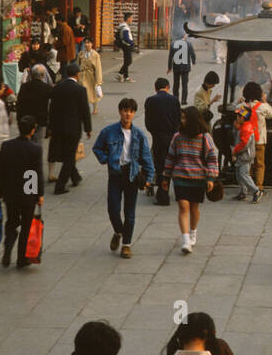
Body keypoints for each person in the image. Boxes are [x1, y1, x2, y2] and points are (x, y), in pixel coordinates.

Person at [92, 98, 154, 259]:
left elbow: (147, 158)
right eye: (125, 110)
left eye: (131, 111)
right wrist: (106, 159)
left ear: (134, 113)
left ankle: (126, 244)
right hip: (115, 173)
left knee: (130, 212)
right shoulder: (108, 131)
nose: (128, 114)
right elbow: (97, 147)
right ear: (120, 111)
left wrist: (149, 178)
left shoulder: (139, 135)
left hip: (132, 174)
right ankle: (118, 231)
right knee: (113, 208)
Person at [162, 105, 219, 255]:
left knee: (194, 209)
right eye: (181, 118)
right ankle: (186, 239)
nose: (182, 120)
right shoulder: (177, 137)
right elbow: (170, 157)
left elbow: (212, 158)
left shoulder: (205, 138)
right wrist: (166, 176)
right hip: (180, 177)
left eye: (184, 118)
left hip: (198, 178)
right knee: (183, 207)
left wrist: (211, 178)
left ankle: (193, 232)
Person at [0, 114, 45, 268]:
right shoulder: (35, 149)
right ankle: (22, 258)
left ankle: (8, 247)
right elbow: (37, 173)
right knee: (26, 226)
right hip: (28, 192)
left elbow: (2, 170)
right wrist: (40, 194)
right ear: (32, 130)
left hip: (10, 192)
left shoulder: (7, 146)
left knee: (12, 222)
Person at [47, 61, 92, 194]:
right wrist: (88, 128)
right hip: (73, 128)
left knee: (67, 153)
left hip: (58, 127)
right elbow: (85, 111)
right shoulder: (80, 90)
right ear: (77, 75)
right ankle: (60, 185)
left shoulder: (57, 88)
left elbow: (52, 109)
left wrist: (51, 126)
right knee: (70, 156)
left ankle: (75, 177)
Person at [144, 76, 182, 207]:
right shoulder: (175, 100)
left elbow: (148, 122)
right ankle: (168, 190)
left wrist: (154, 132)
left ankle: (162, 193)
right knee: (170, 164)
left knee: (160, 165)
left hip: (157, 137)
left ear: (155, 88)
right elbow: (179, 121)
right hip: (171, 137)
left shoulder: (150, 101)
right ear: (168, 87)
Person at [231, 81, 262, 203]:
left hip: (245, 155)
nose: (237, 118)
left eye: (239, 116)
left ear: (243, 118)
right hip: (242, 155)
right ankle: (243, 192)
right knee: (239, 175)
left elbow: (244, 143)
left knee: (244, 175)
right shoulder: (243, 127)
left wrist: (235, 150)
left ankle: (255, 191)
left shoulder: (247, 128)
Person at [16, 62, 53, 136]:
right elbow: (51, 106)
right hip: (40, 120)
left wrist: (18, 118)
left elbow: (19, 103)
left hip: (25, 118)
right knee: (37, 141)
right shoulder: (47, 88)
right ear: (43, 76)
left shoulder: (24, 87)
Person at [78, 38, 103, 115]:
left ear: (92, 44)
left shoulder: (95, 55)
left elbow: (98, 68)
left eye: (88, 43)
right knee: (82, 91)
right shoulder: (81, 53)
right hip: (82, 75)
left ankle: (95, 108)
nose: (86, 44)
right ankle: (83, 108)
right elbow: (79, 64)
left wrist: (98, 80)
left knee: (92, 92)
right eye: (85, 43)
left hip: (91, 75)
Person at [170, 32, 196, 104]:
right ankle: (184, 100)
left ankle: (175, 100)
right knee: (185, 84)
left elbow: (170, 57)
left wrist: (169, 67)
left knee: (176, 84)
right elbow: (193, 54)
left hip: (176, 67)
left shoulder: (173, 44)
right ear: (184, 37)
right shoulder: (189, 44)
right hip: (185, 67)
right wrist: (193, 61)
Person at [115, 12, 136, 83]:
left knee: (126, 61)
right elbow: (126, 38)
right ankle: (120, 73)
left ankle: (126, 77)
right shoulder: (125, 27)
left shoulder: (122, 26)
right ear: (128, 18)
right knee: (129, 61)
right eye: (131, 18)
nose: (132, 19)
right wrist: (132, 43)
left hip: (124, 45)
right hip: (127, 46)